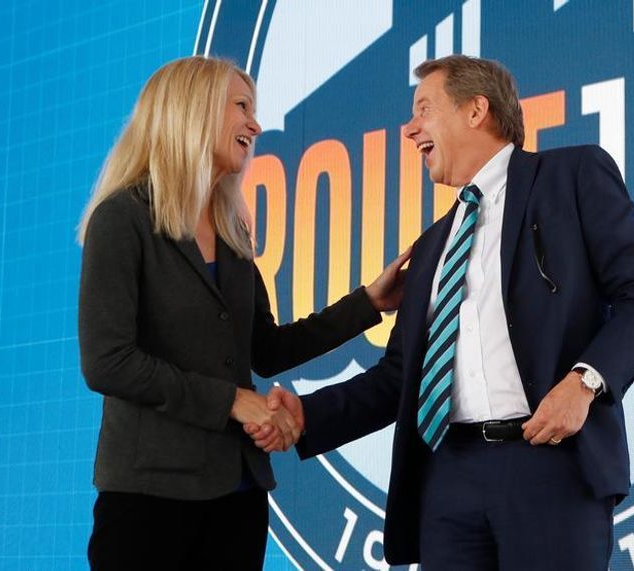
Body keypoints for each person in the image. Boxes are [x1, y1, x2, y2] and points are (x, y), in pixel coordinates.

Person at [252, 55, 634, 569]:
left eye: (424, 110)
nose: (409, 130)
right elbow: (399, 378)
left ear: (477, 110)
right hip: (446, 478)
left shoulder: (572, 175)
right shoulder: (431, 247)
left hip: (550, 463)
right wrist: (307, 414)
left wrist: (583, 382)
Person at [77, 56, 409, 570]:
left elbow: (268, 349)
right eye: (241, 107)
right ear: (193, 111)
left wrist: (369, 303)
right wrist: (233, 401)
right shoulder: (122, 219)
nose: (255, 124)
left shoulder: (232, 230)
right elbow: (108, 361)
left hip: (239, 494)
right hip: (149, 498)